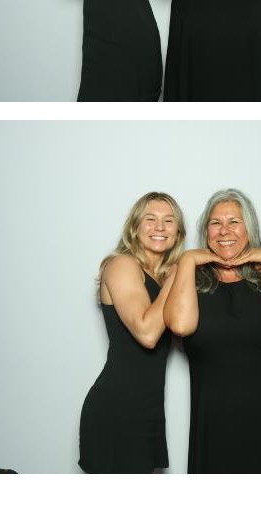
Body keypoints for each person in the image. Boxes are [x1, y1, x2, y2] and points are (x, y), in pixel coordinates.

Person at [165, 190, 261, 473]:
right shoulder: (185, 274)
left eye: (234, 222)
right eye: (215, 223)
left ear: (249, 229)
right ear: (206, 231)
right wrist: (188, 260)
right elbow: (180, 325)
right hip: (212, 408)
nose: (224, 230)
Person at [79, 193, 185, 473]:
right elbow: (147, 334)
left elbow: (184, 339)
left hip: (148, 410)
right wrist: (175, 279)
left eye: (168, 221)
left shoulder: (163, 278)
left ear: (178, 232)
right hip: (116, 407)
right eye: (150, 219)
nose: (159, 227)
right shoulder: (121, 265)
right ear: (135, 227)